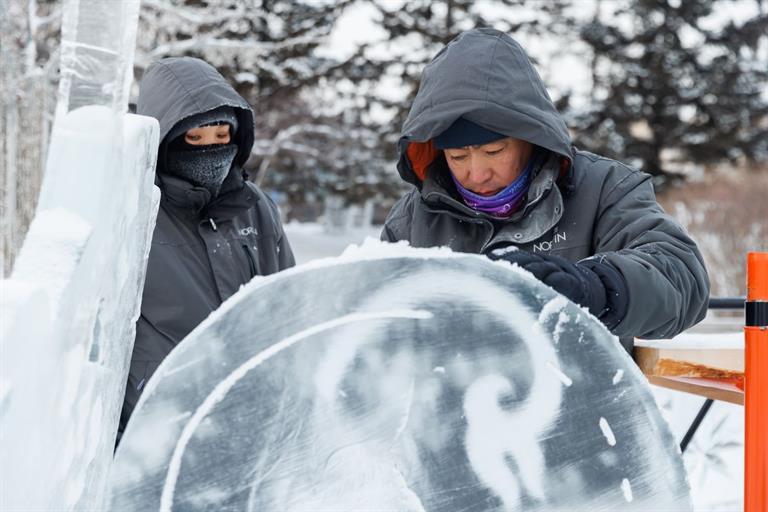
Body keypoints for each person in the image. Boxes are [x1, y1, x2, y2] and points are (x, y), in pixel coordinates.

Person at [381, 28, 709, 348]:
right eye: (457, 156)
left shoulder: (605, 189)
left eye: (494, 152)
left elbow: (682, 280)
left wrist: (597, 289)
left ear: (530, 138)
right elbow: (376, 322)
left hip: (585, 399)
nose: (477, 173)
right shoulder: (411, 221)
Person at [119, 57, 295, 437]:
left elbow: (288, 304)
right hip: (159, 423)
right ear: (164, 141)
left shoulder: (256, 207)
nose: (211, 151)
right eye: (193, 139)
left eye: (220, 136)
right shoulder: (133, 211)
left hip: (250, 411)